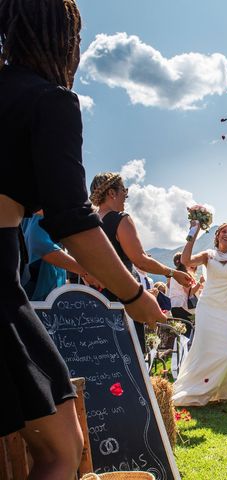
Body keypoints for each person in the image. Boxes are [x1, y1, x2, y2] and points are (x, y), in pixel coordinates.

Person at [0, 1, 165, 476]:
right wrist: (133, 295)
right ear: (64, 39)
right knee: (60, 449)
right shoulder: (48, 100)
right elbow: (72, 221)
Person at [89, 173, 194, 350]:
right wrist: (173, 273)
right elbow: (141, 260)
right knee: (128, 353)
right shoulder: (120, 219)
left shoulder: (88, 222)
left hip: (90, 297)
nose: (126, 196)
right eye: (124, 190)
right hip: (121, 296)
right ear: (112, 193)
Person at [172, 222, 227, 405]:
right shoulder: (207, 255)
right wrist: (193, 232)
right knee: (204, 349)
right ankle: (199, 388)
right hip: (207, 307)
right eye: (224, 231)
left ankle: (221, 390)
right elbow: (186, 261)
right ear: (217, 235)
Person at [20, 210, 102, 300]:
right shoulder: (47, 205)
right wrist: (85, 271)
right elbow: (40, 244)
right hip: (39, 285)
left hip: (36, 282)